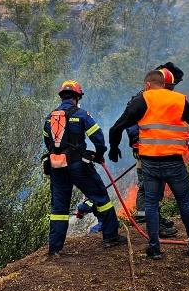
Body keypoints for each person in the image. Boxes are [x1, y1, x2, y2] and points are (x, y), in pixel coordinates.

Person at [109, 69, 189, 259]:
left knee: (151, 204)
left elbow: (117, 127)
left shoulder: (142, 99)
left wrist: (113, 147)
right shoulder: (179, 100)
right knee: (184, 202)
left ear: (148, 84)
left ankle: (154, 248)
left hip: (150, 163)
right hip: (174, 162)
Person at [43, 80, 127, 257]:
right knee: (101, 197)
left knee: (59, 209)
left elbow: (48, 143)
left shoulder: (49, 117)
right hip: (78, 166)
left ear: (62, 97)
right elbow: (97, 136)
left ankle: (55, 249)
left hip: (57, 167)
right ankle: (111, 237)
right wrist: (99, 154)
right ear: (76, 97)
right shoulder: (81, 114)